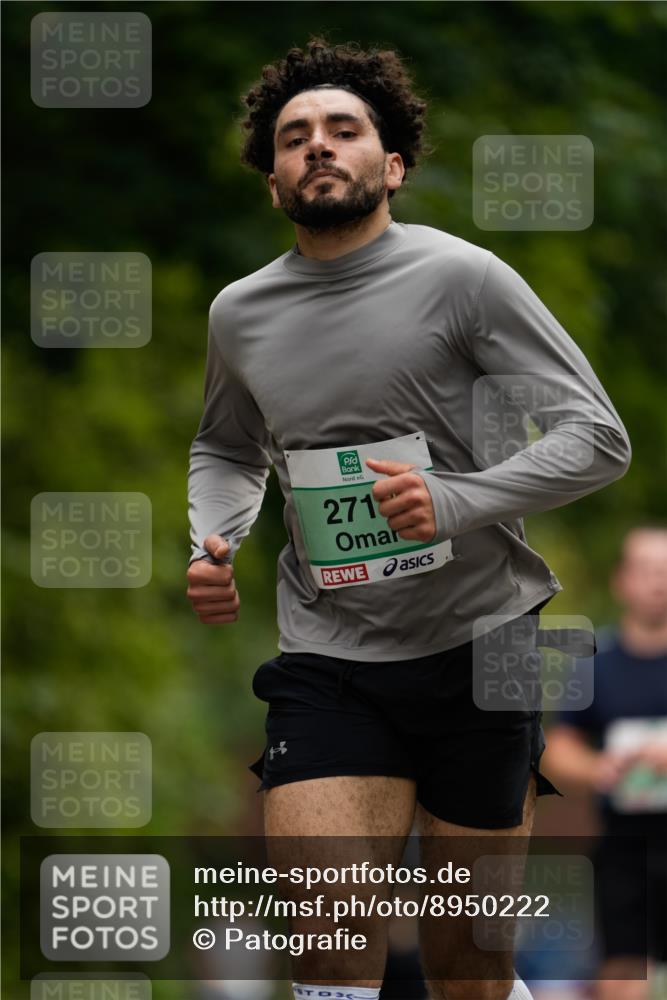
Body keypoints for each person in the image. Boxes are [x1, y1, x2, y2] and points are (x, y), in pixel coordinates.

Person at [186, 36, 632, 1000]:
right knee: (326, 930)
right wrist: (212, 536)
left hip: (482, 641)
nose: (317, 147)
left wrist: (452, 502)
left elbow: (596, 436)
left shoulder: (463, 278)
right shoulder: (240, 313)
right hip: (329, 655)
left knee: (465, 959)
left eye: (343, 130)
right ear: (272, 179)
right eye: (295, 136)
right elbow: (226, 447)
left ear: (389, 165)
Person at [543, 527, 667, 1000]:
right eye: (648, 570)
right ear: (623, 580)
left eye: (666, 571)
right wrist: (602, 768)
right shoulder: (594, 666)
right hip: (623, 847)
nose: (659, 582)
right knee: (622, 975)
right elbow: (558, 749)